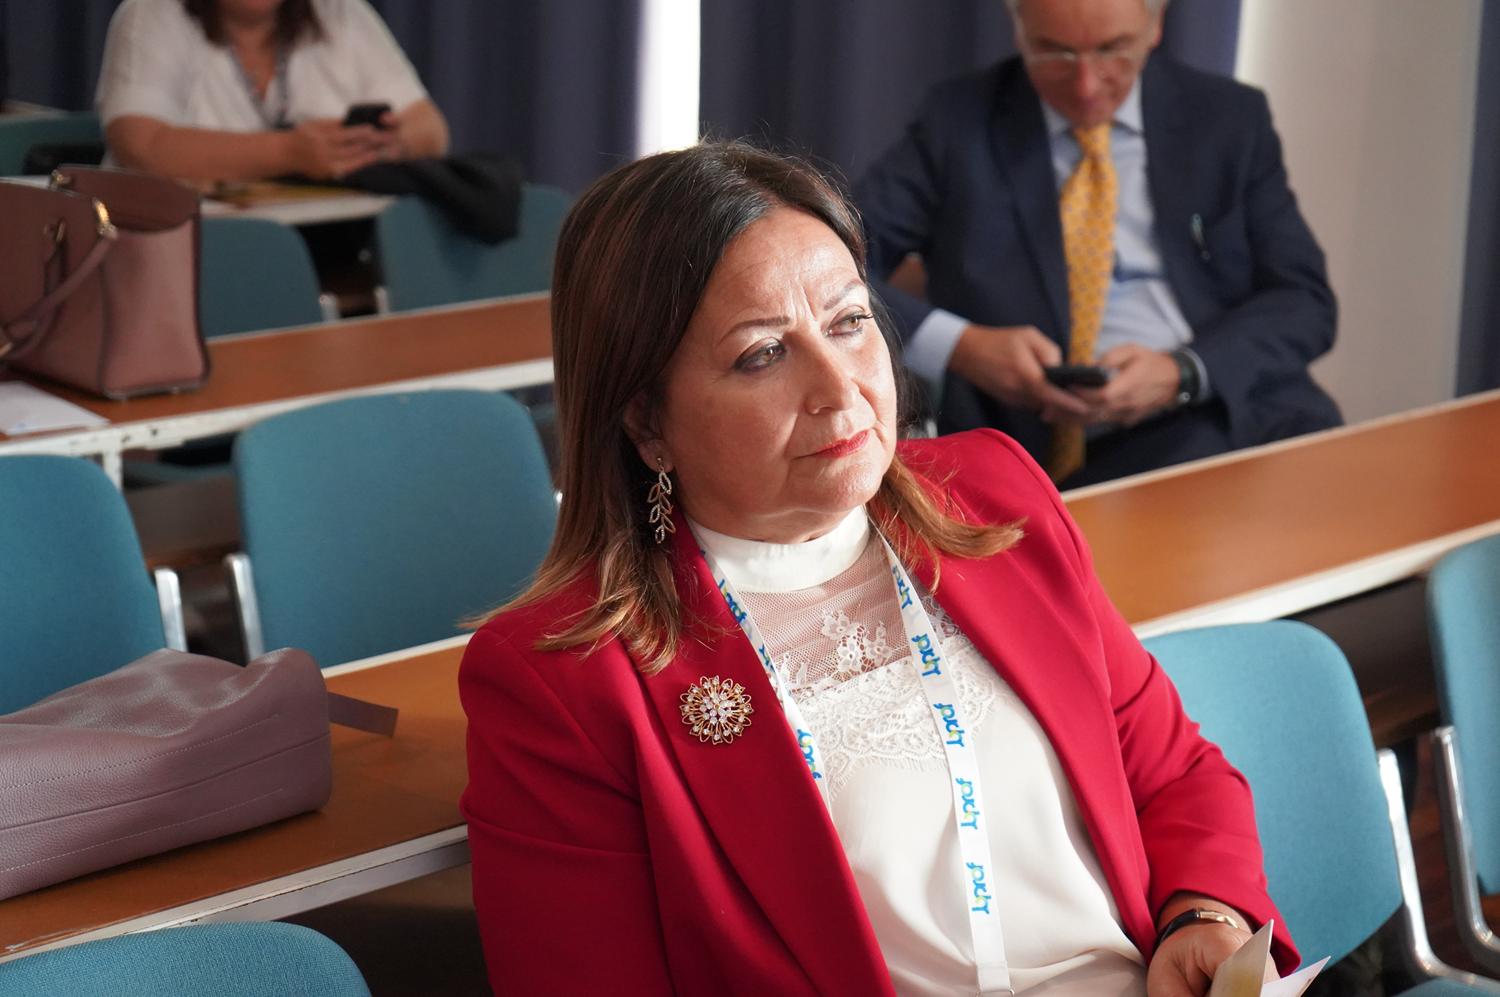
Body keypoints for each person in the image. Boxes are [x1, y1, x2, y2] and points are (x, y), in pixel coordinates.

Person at [459, 141, 1298, 996]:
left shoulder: (997, 493)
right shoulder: (563, 683)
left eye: (848, 322)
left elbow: (1172, 770)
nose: (841, 388)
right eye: (762, 354)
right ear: (646, 422)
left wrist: (1203, 915)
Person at [855, 0, 1341, 488]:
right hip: (1042, 442)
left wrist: (1183, 372)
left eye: (1113, 50)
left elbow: (1304, 302)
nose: (1086, 85)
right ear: (1019, 29)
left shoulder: (1226, 117)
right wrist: (963, 347)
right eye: (1055, 53)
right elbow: (841, 257)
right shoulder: (957, 121)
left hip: (1234, 408)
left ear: (1155, 26)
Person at [95, 0, 448, 182]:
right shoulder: (150, 14)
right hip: (176, 251)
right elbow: (141, 146)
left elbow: (430, 128)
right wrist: (291, 152)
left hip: (331, 249)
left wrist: (380, 145)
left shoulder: (341, 13)